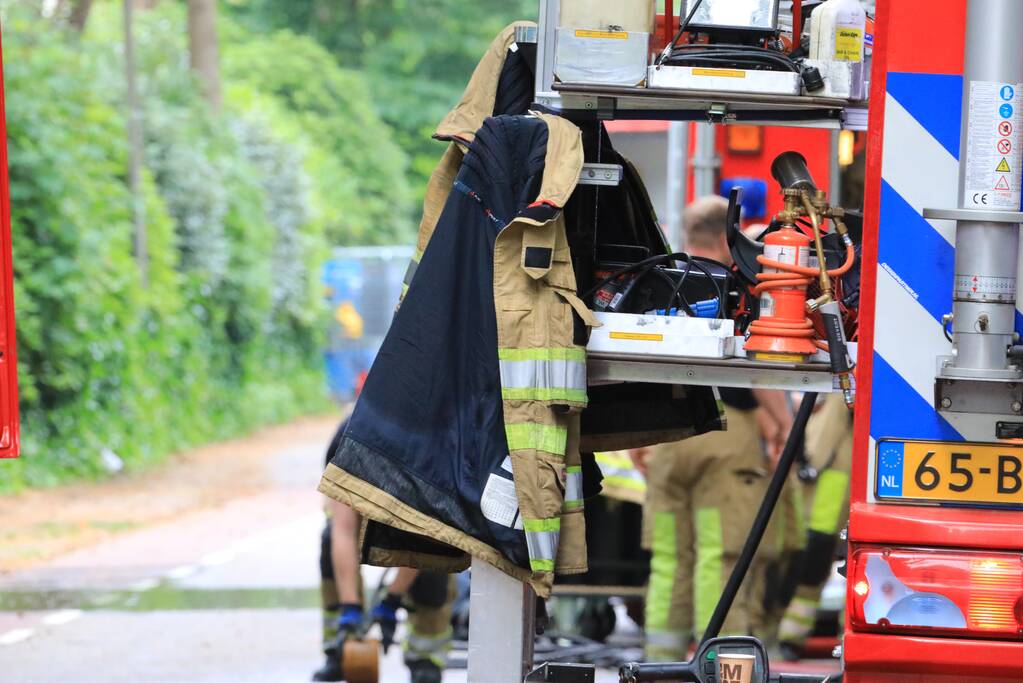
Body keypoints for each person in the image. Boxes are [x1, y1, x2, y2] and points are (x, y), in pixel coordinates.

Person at [635, 196, 795, 662]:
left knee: (668, 559)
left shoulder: (658, 280)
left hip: (667, 435)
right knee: (719, 558)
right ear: (728, 237)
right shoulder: (733, 284)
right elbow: (757, 364)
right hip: (726, 438)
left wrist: (639, 438)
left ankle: (660, 662)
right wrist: (782, 424)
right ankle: (721, 664)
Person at [314, 420, 455, 683]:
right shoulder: (347, 444)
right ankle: (339, 647)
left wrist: (392, 599)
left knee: (438, 555)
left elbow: (424, 539)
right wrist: (349, 607)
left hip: (416, 516)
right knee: (328, 544)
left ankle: (425, 657)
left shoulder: (426, 450)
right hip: (366, 505)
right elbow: (343, 532)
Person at [776, 394, 853, 657]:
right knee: (816, 550)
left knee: (864, 557)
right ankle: (792, 635)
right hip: (834, 468)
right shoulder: (842, 374)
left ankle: (851, 638)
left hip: (855, 465)